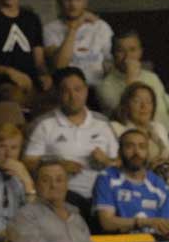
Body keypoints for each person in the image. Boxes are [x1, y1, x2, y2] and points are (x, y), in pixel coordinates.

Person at [24, 67, 119, 218]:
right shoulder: (44, 124)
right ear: (57, 93)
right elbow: (28, 162)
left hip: (103, 196)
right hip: (63, 196)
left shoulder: (102, 123)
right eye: (66, 91)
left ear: (86, 90)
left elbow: (121, 163)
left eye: (78, 89)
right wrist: (58, 165)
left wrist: (107, 161)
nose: (73, 96)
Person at [110, 82, 169, 203]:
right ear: (126, 105)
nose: (144, 106)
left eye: (149, 102)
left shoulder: (158, 127)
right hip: (137, 182)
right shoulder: (116, 128)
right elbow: (120, 162)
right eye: (137, 101)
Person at [95, 31, 169, 130]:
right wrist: (131, 77)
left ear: (140, 52)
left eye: (132, 50)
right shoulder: (104, 86)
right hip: (140, 137)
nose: (127, 56)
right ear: (113, 55)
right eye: (121, 51)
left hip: (168, 134)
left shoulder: (151, 77)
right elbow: (125, 116)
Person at [93, 128, 169, 236]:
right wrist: (145, 222)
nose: (136, 152)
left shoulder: (159, 185)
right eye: (129, 146)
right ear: (119, 152)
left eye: (142, 147)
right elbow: (107, 223)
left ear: (148, 153)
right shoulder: (107, 178)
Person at [44, 0, 114, 87]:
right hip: (67, 90)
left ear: (85, 2)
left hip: (98, 88)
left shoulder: (101, 27)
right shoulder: (49, 29)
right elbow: (59, 66)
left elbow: (111, 62)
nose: (73, 4)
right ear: (59, 1)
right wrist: (74, 28)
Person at [7, 159, 91, 242]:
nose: (53, 185)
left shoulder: (76, 216)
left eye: (59, 180)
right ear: (36, 185)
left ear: (66, 185)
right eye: (46, 180)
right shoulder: (26, 216)